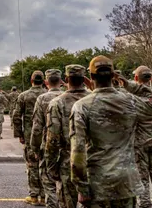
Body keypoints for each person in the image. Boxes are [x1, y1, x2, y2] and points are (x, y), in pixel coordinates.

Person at [70, 56, 143, 207]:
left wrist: (82, 187)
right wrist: (131, 86)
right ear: (113, 75)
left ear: (90, 77)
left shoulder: (82, 106)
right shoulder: (131, 100)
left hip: (98, 182)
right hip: (126, 181)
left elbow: (78, 150)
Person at [119, 66, 152, 208]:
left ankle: (145, 204)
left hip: (138, 142)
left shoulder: (130, 98)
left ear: (135, 78)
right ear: (150, 78)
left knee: (142, 178)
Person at [45, 65, 91, 208]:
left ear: (66, 79)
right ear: (84, 79)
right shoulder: (94, 99)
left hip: (68, 161)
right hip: (93, 161)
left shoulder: (57, 103)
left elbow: (52, 139)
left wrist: (51, 166)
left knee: (67, 202)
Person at [30, 69, 63, 208]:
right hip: (71, 147)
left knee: (49, 184)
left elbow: (37, 127)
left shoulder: (43, 99)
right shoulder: (69, 97)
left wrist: (35, 148)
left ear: (46, 82)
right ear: (61, 81)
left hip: (50, 145)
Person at [13, 71, 47, 205]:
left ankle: (34, 195)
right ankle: (44, 196)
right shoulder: (48, 95)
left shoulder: (24, 96)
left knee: (32, 164)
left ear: (31, 80)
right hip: (46, 134)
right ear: (43, 81)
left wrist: (19, 134)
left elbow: (16, 116)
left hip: (30, 134)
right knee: (44, 164)